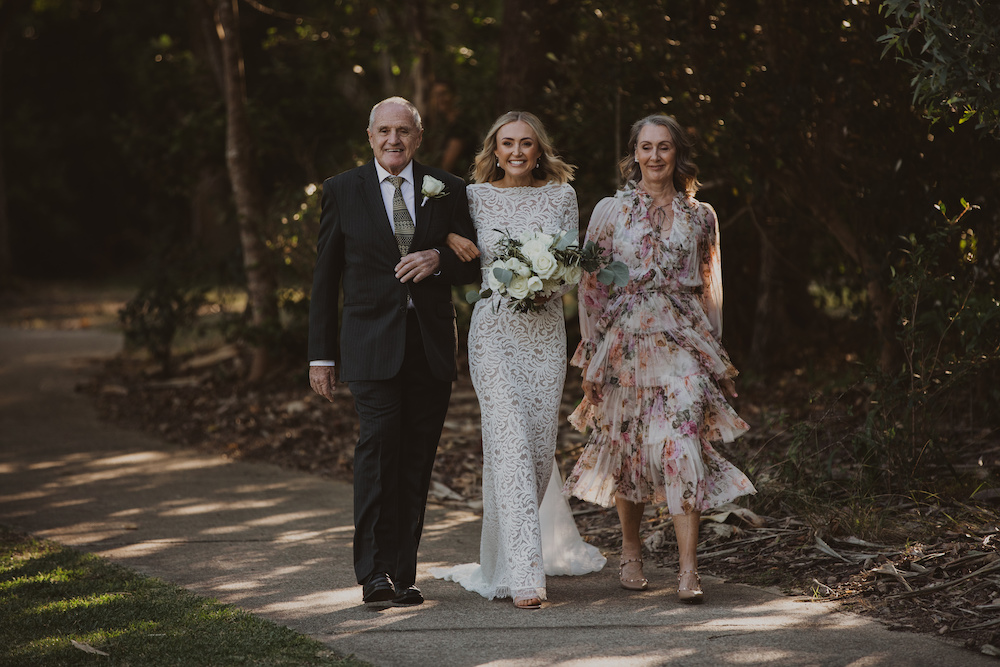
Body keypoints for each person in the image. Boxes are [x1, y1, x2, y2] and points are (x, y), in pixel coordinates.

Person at [565, 114, 756, 604]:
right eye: (645, 148)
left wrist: (717, 359)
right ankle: (631, 551)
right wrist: (592, 359)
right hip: (624, 343)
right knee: (629, 446)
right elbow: (591, 286)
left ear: (677, 154)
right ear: (634, 154)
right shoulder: (609, 211)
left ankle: (689, 569)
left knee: (681, 442)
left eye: (663, 147)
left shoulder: (702, 216)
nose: (654, 157)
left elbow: (711, 289)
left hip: (683, 349)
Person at [308, 96, 479, 607]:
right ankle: (374, 573)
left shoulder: (449, 189)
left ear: (418, 137)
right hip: (369, 345)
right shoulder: (343, 190)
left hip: (429, 345)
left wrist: (438, 259)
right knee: (379, 453)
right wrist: (321, 355)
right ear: (370, 137)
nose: (393, 140)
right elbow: (325, 278)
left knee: (417, 460)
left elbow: (476, 259)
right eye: (384, 131)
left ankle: (405, 574)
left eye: (403, 131)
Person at [432, 111, 606, 610]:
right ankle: (526, 574)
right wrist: (447, 238)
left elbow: (574, 270)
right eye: (506, 143)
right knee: (505, 436)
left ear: (538, 150)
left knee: (532, 446)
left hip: (546, 330)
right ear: (494, 150)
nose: (515, 152)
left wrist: (546, 277)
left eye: (525, 144)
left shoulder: (562, 196)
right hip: (493, 329)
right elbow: (434, 226)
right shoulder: (474, 196)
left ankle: (499, 561)